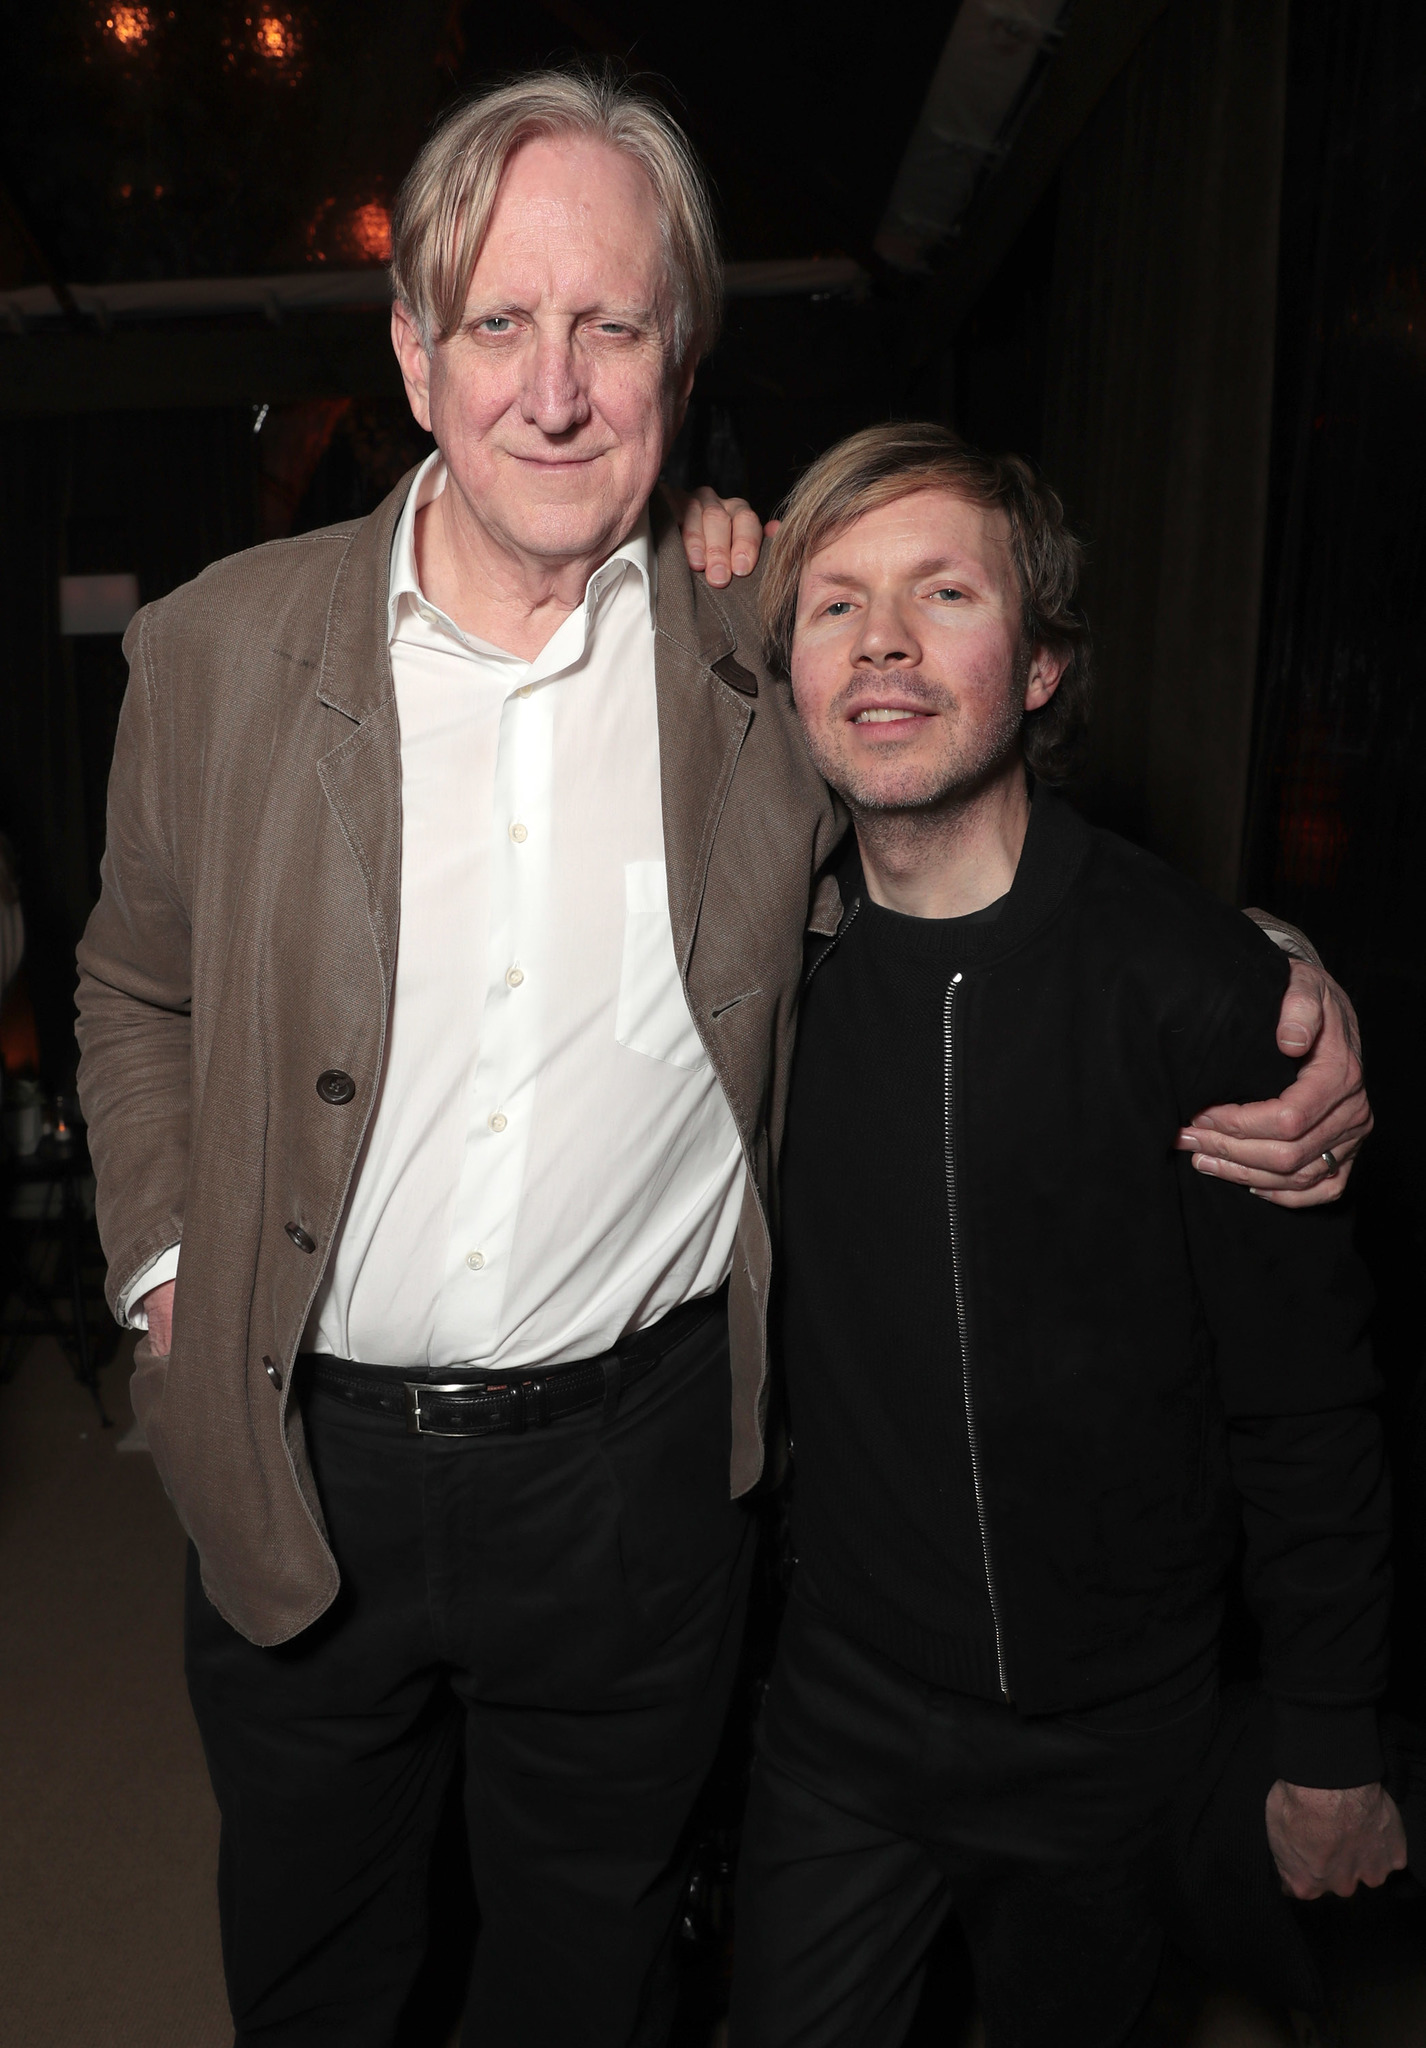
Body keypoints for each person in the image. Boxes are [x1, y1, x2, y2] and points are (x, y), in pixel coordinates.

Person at [74, 67, 1369, 2048]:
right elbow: (132, 982)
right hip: (294, 1440)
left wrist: (1263, 971)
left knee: (587, 1967)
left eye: (612, 324)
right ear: (413, 351)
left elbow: (973, 817)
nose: (555, 386)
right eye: (498, 321)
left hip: (638, 1477)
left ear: (678, 356)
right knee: (321, 1967)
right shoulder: (219, 652)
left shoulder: (755, 648)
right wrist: (161, 1268)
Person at [726, 423, 1406, 2048]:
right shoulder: (757, 973)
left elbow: (1306, 1407)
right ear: (792, 675)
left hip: (1117, 1742)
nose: (881, 640)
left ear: (1035, 665)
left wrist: (1326, 1737)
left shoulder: (1199, 993)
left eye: (941, 593)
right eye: (834, 604)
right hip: (841, 1715)